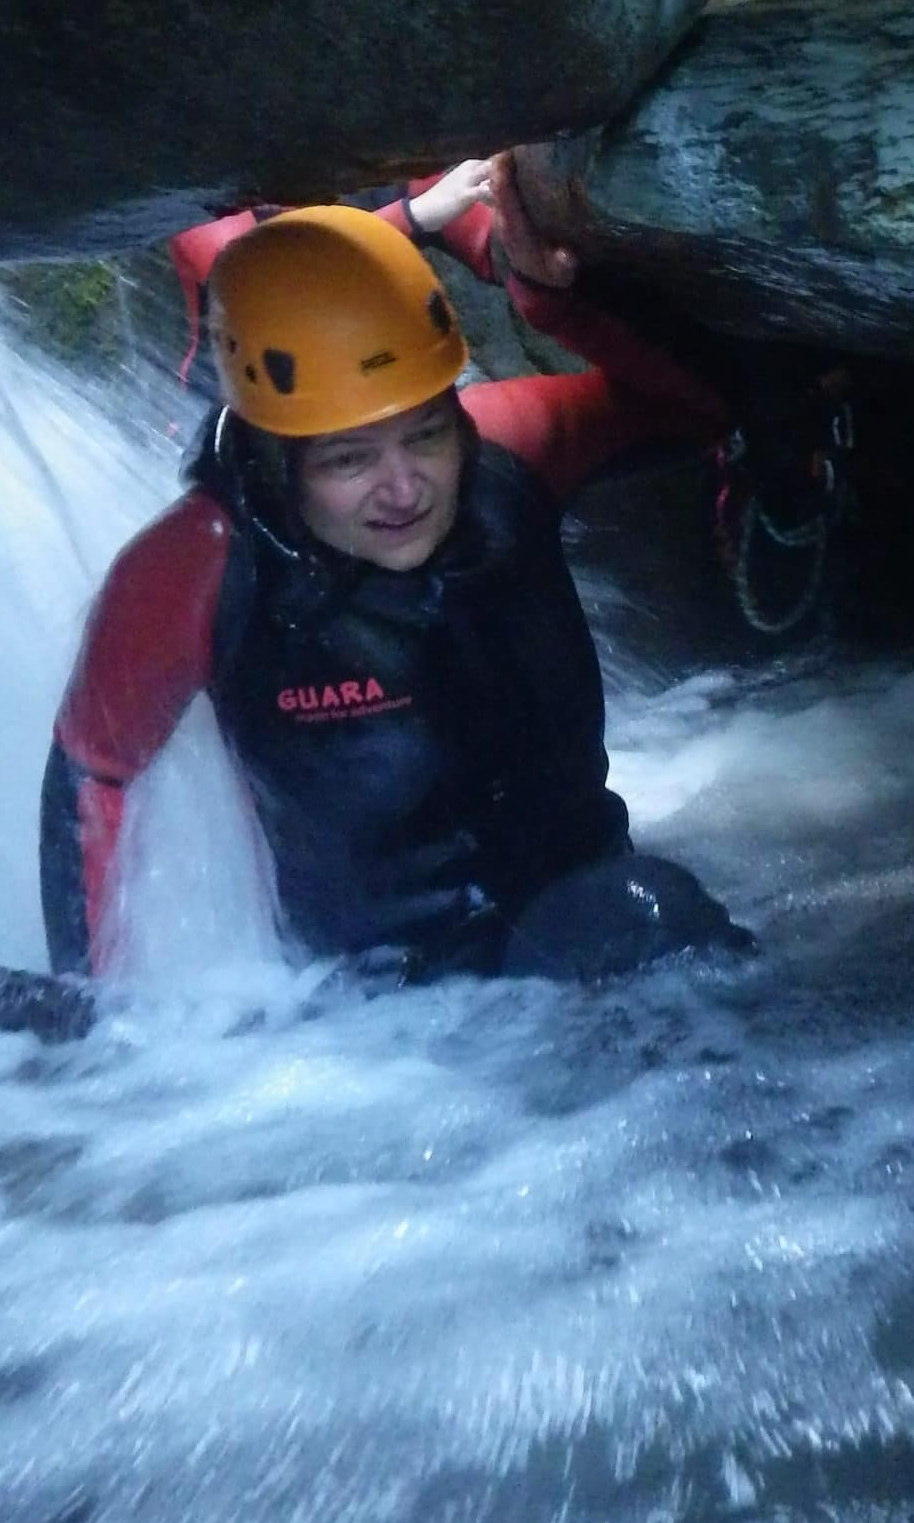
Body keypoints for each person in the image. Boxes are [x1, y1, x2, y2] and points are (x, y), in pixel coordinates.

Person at [41, 158, 751, 985]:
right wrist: (92, 1008)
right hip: (377, 1009)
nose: (405, 488)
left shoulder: (506, 452)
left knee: (655, 914)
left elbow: (701, 404)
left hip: (578, 922)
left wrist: (547, 296)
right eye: (349, 459)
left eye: (425, 435)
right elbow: (94, 775)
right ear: (275, 461)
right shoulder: (194, 568)